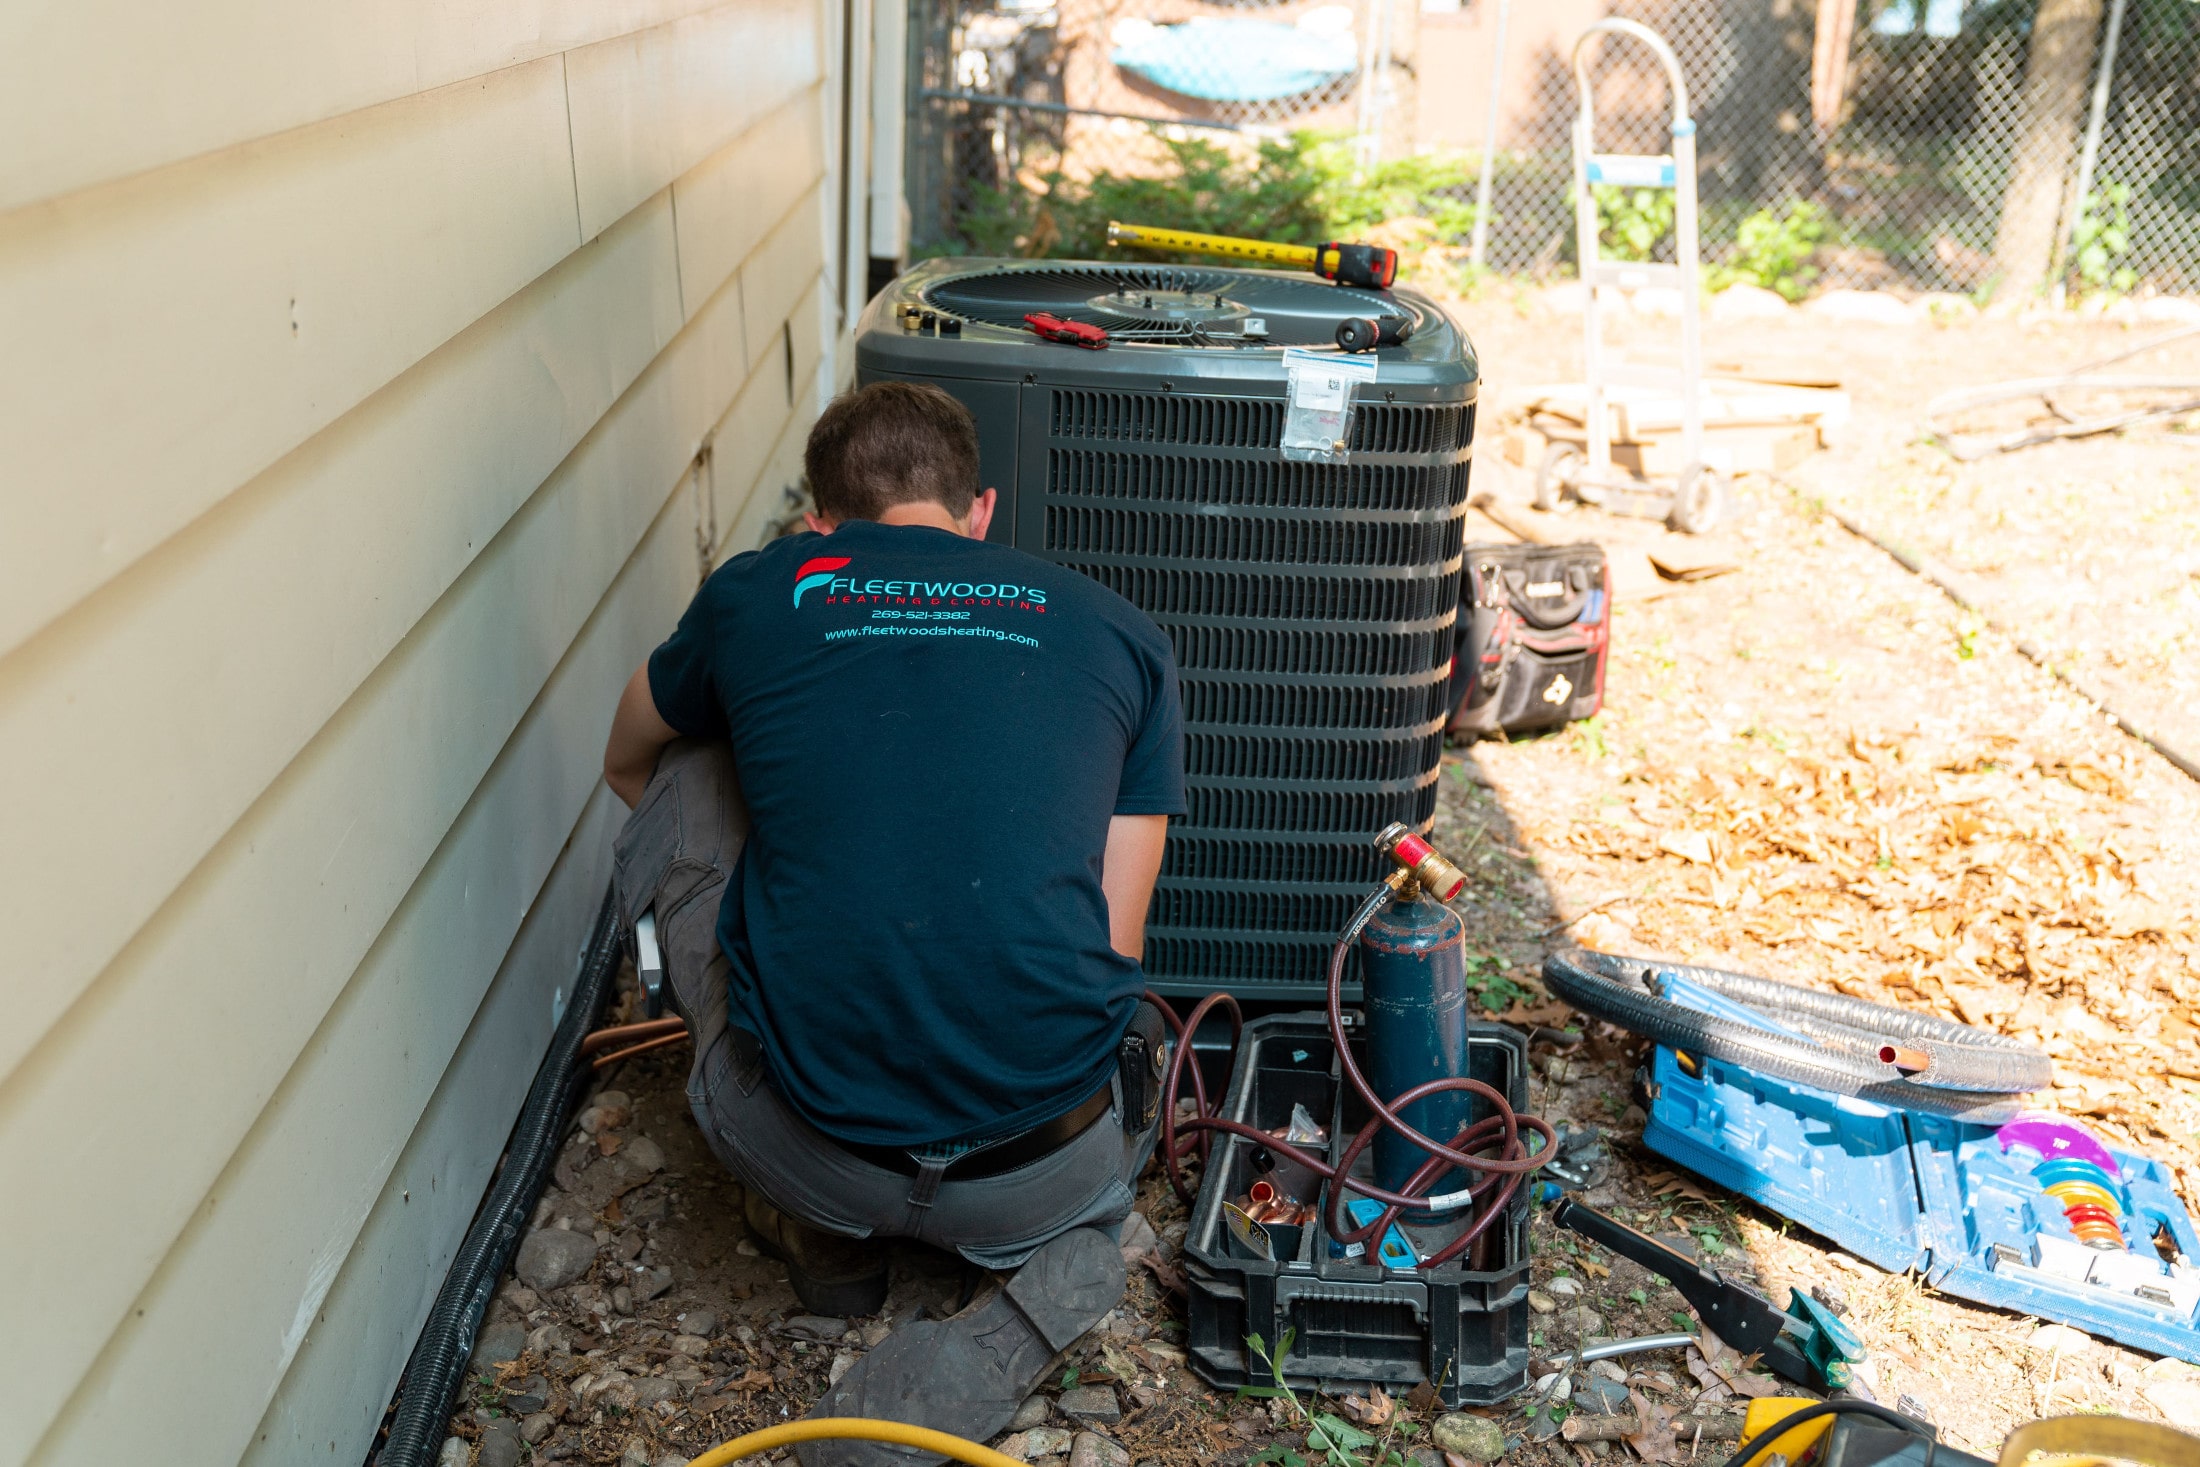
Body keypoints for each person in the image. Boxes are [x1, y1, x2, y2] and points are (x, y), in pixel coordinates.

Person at [601, 381, 1185, 1464]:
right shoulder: (1120, 632)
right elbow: (1117, 937)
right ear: (982, 511)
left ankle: (825, 1236)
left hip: (809, 1149)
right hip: (1043, 1169)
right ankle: (1025, 1265)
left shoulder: (762, 589)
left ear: (819, 524)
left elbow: (625, 754)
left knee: (697, 751)